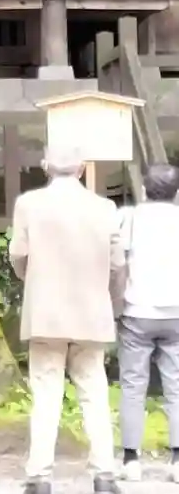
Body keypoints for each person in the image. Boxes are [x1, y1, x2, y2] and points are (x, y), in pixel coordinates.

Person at [10, 142, 127, 494]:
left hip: (45, 314)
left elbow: (18, 255)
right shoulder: (105, 207)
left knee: (46, 395)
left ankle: (39, 477)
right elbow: (118, 264)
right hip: (91, 312)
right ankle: (104, 475)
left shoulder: (28, 204)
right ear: (81, 168)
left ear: (46, 166)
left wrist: (33, 278)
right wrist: (112, 303)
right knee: (94, 393)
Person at [116, 163, 179, 484]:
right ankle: (177, 460)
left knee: (132, 385)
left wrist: (116, 302)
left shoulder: (129, 217)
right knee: (177, 386)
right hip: (177, 312)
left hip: (136, 310)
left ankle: (131, 460)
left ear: (144, 189)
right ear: (176, 194)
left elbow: (118, 262)